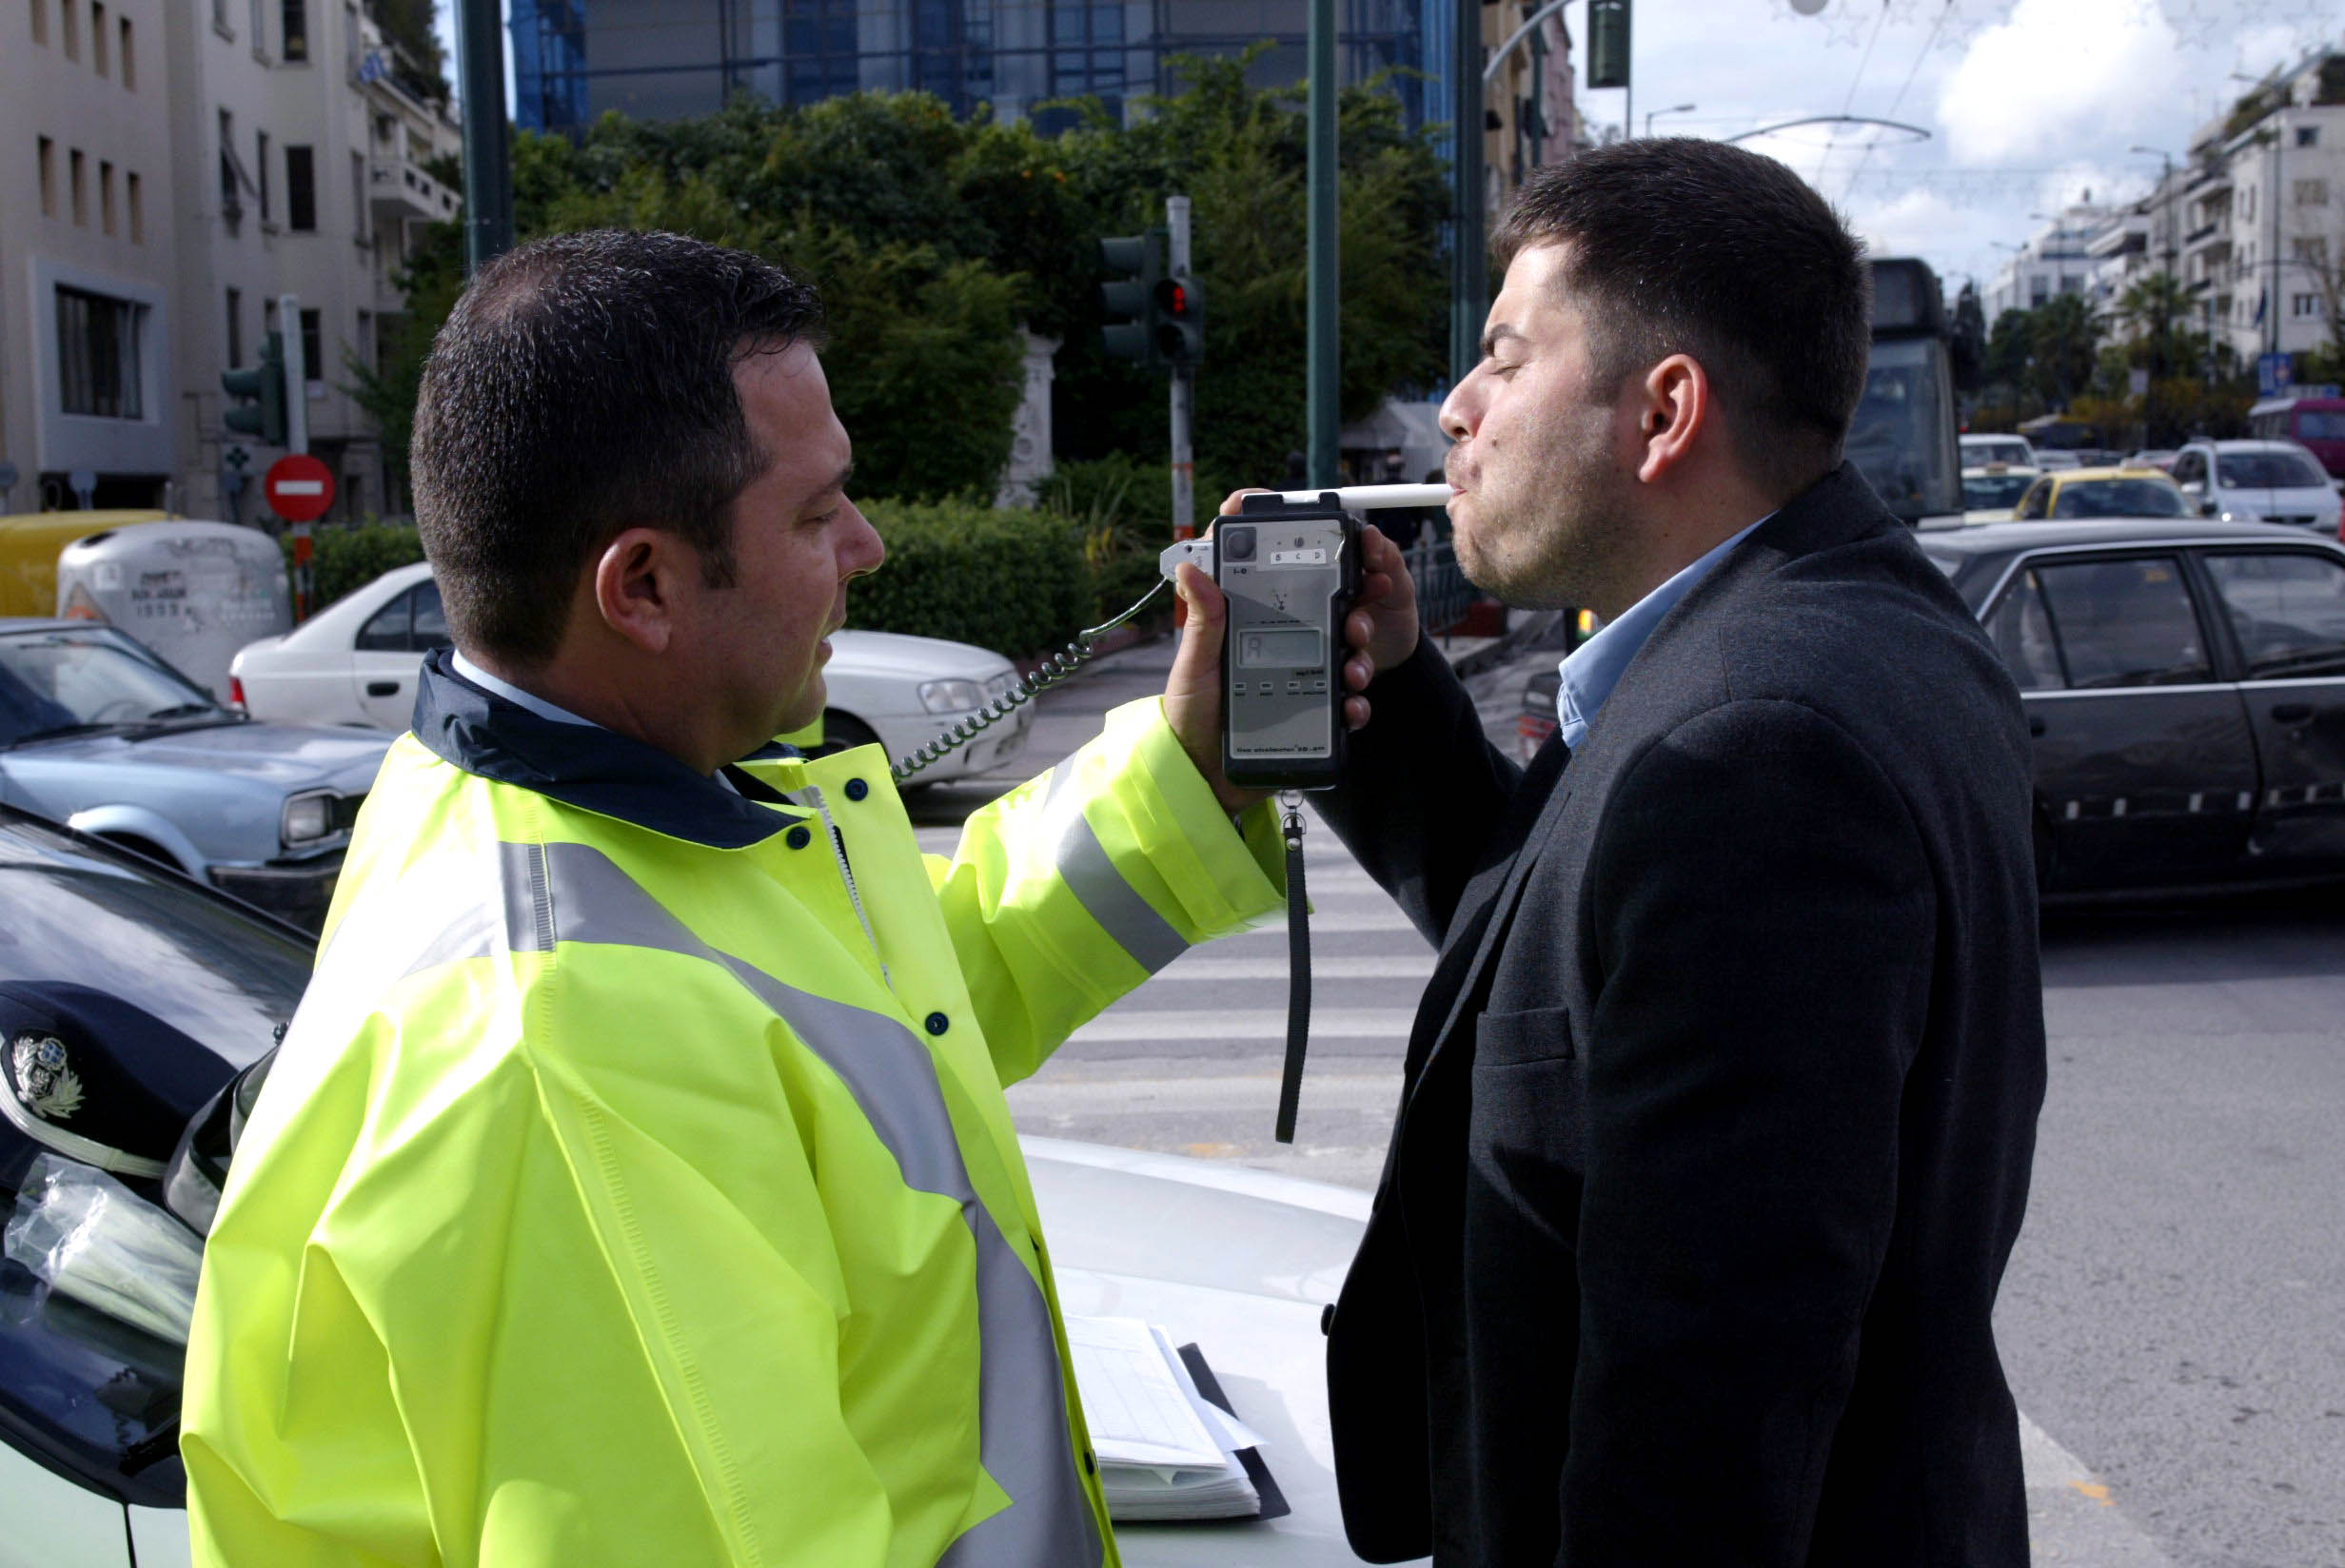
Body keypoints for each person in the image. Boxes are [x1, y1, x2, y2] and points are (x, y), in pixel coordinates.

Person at [180, 229, 1292, 1568]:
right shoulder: (571, 1056)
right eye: (818, 516)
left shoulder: (565, 820)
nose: (868, 547)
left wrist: (1188, 772)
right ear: (642, 585)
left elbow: (893, 1027)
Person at [1304, 140, 2047, 1564]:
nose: (1455, 412)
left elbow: (1703, 1402)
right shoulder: (1832, 634)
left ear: (1664, 412)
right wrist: (1393, 698)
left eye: (1506, 361)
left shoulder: (1752, 745)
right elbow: (1589, 977)